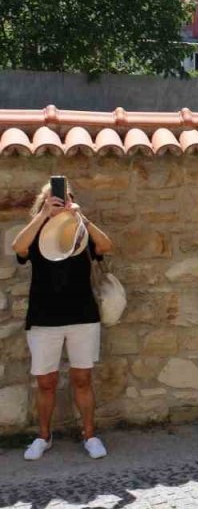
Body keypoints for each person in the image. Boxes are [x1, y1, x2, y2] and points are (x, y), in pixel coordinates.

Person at [13, 180, 114, 461]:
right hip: (44, 318)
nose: (60, 202)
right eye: (53, 198)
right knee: (45, 382)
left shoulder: (80, 230)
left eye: (65, 198)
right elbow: (18, 247)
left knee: (82, 379)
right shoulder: (37, 230)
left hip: (82, 315)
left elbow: (106, 245)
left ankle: (90, 434)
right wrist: (43, 215)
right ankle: (43, 436)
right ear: (43, 202)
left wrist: (80, 216)